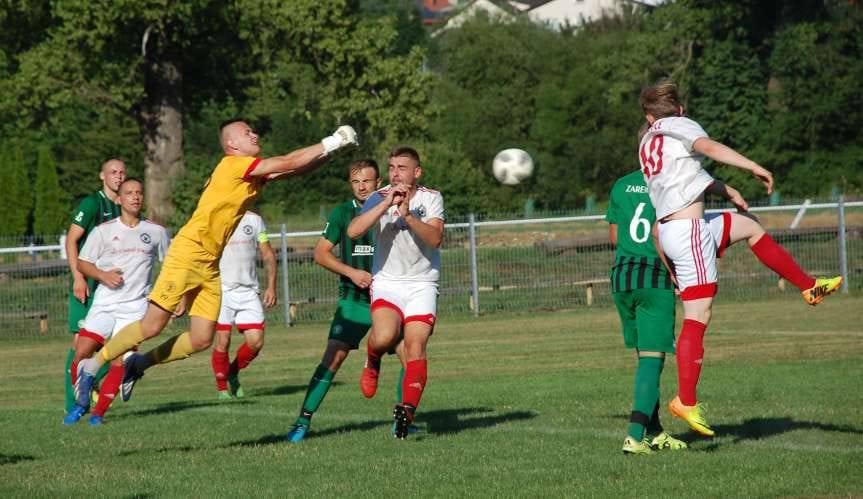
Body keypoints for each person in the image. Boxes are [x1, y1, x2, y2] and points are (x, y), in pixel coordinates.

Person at [75, 120, 358, 408]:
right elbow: (288, 161)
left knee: (201, 339)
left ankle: (138, 364)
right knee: (152, 326)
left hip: (209, 262)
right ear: (232, 145)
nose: (254, 135)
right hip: (189, 253)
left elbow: (293, 169)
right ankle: (91, 366)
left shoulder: (249, 171)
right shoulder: (233, 165)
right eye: (247, 133)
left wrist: (332, 152)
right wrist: (333, 140)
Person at [637, 80, 843, 436]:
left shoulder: (647, 142)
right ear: (680, 111)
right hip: (689, 233)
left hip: (677, 229)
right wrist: (752, 166)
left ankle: (809, 287)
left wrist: (726, 189)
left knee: (749, 226)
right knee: (698, 315)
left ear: (649, 117)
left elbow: (687, 178)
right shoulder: (681, 125)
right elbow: (708, 147)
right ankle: (686, 400)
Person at [347, 146, 445, 439]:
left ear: (417, 172)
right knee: (385, 337)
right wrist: (386, 203)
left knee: (416, 346)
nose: (395, 173)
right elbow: (354, 231)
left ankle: (406, 412)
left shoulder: (431, 197)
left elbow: (436, 238)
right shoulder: (379, 196)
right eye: (391, 167)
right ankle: (372, 357)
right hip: (388, 282)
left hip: (422, 284)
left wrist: (408, 216)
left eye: (402, 168)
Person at [286, 159, 381, 442]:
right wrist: (352, 272)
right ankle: (303, 421)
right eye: (356, 182)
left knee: (408, 352)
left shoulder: (391, 208)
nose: (361, 187)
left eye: (367, 181)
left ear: (378, 182)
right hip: (354, 299)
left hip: (389, 299)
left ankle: (405, 420)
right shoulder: (342, 212)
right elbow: (321, 253)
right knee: (334, 356)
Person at [64, 178, 169, 426]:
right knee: (81, 352)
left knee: (119, 359)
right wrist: (102, 275)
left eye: (139, 193)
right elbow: (83, 263)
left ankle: (98, 415)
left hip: (134, 307)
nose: (135, 197)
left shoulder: (157, 232)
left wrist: (170, 297)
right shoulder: (103, 231)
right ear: (119, 199)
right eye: (129, 193)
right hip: (104, 303)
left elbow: (170, 267)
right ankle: (81, 402)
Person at [606, 170, 687, 454]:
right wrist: (678, 273)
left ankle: (655, 432)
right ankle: (634, 436)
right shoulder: (670, 182)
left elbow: (614, 237)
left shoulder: (622, 183)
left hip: (622, 278)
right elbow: (664, 235)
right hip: (653, 277)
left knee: (646, 361)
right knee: (652, 361)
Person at [64, 158, 126, 414]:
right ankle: (72, 404)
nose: (118, 176)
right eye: (113, 172)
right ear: (102, 176)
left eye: (122, 172)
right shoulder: (92, 203)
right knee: (80, 345)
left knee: (120, 345)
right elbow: (71, 240)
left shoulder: (125, 206)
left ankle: (89, 382)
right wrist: (78, 277)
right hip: (88, 283)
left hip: (112, 287)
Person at [211, 210, 277, 400]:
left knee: (256, 342)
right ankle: (222, 388)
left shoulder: (254, 220)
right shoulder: (215, 216)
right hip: (223, 290)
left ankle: (232, 372)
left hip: (248, 290)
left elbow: (267, 254)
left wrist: (271, 287)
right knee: (223, 341)